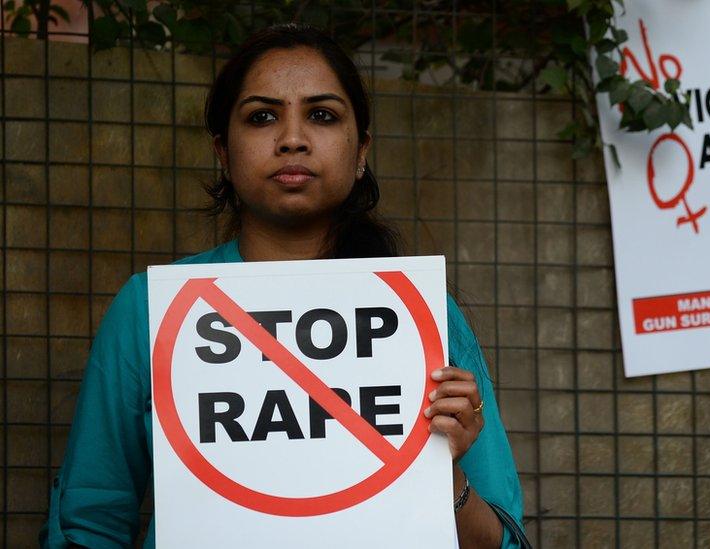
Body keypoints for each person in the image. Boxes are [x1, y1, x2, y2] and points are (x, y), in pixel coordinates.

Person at [42, 23, 526, 548]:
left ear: (361, 150)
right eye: (262, 116)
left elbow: (500, 543)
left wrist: (444, 474)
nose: (292, 138)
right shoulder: (148, 310)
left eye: (321, 115)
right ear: (223, 154)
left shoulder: (425, 315)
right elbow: (89, 522)